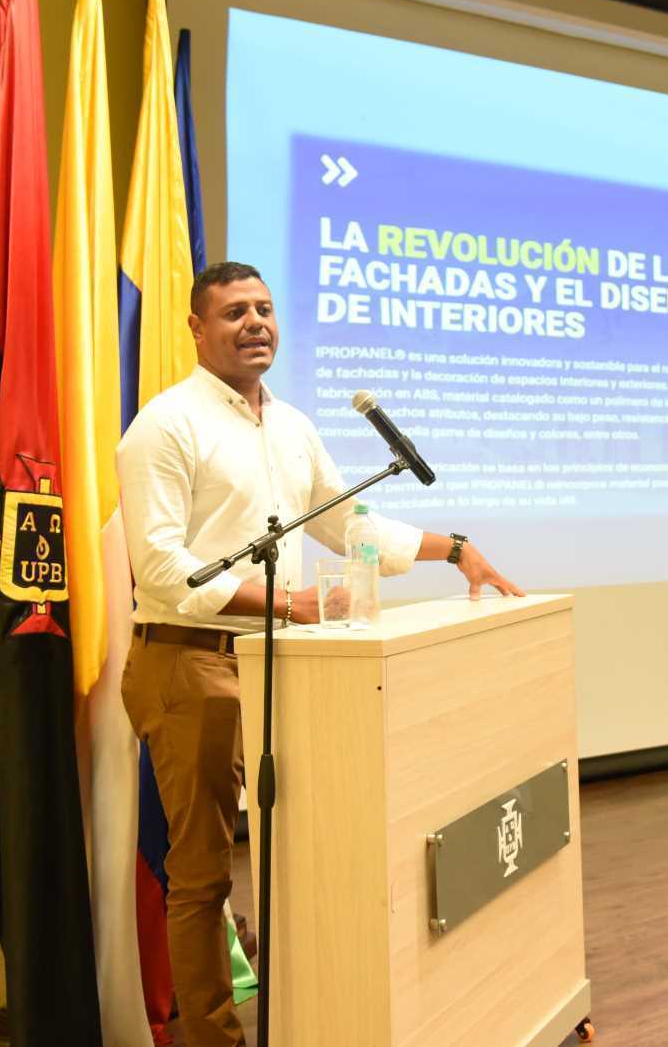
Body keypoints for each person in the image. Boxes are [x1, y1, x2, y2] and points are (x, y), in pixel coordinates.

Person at [116, 260, 521, 1047]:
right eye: (234, 312)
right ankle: (212, 1038)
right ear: (196, 329)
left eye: (265, 308)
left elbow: (346, 527)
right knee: (201, 872)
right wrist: (290, 603)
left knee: (299, 850)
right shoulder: (164, 427)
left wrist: (454, 547)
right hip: (188, 660)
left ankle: (312, 1017)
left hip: (281, 662)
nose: (255, 323)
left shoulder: (293, 426)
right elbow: (162, 566)